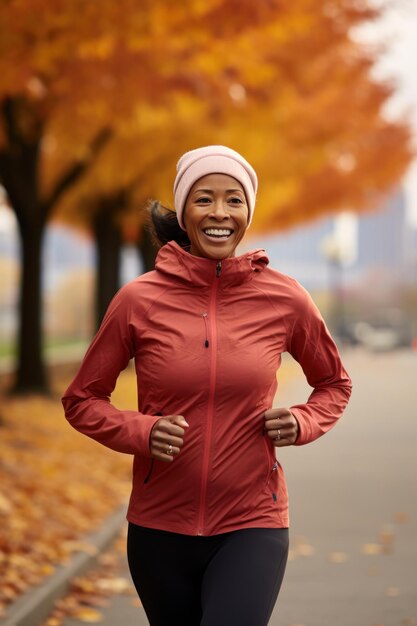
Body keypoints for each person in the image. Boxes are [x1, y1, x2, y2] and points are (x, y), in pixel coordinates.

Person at [62, 145, 352, 626]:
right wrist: (141, 431)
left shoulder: (285, 298)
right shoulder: (139, 299)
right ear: (184, 210)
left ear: (247, 212)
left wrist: (302, 420)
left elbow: (334, 384)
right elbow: (82, 399)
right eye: (204, 198)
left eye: (234, 200)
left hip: (252, 521)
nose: (220, 212)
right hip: (159, 528)